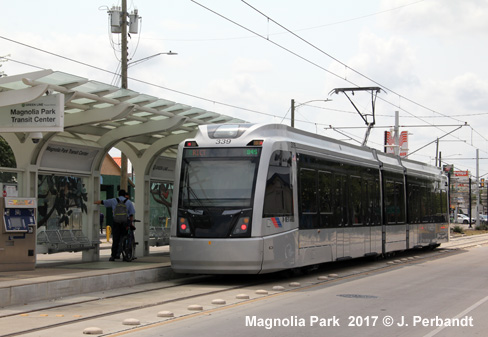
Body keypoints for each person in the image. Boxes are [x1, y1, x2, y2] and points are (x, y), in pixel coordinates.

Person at [94, 189, 135, 261]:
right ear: (125, 195)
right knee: (125, 237)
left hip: (116, 222)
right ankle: (125, 255)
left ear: (118, 194)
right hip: (125, 223)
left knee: (116, 239)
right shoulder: (129, 202)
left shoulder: (114, 200)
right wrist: (130, 223)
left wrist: (95, 202)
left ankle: (113, 256)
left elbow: (103, 202)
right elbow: (131, 214)